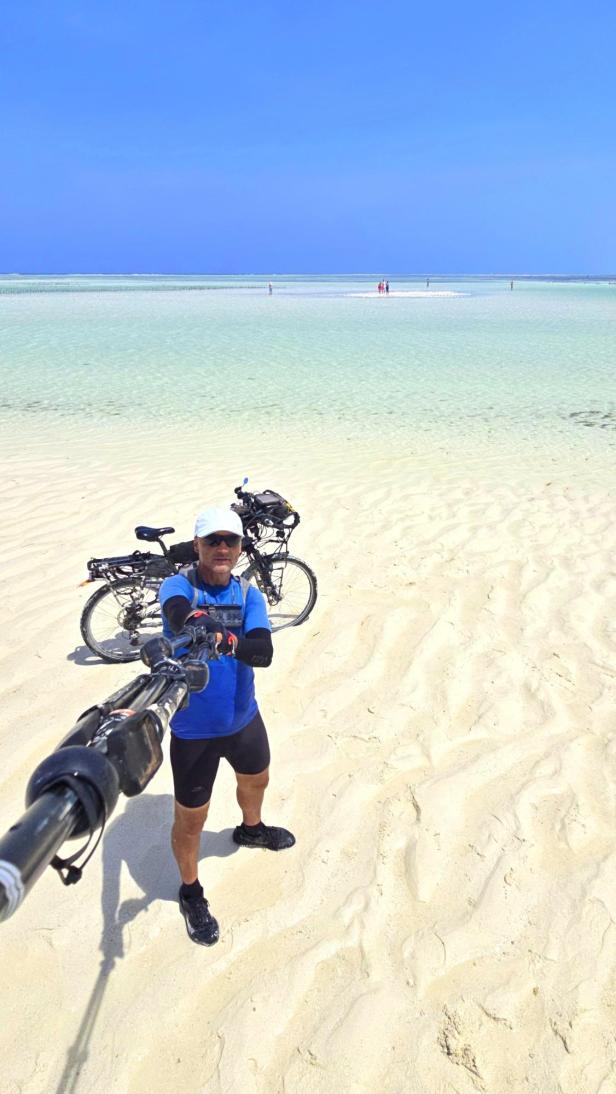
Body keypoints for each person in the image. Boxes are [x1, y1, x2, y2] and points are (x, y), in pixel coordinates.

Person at [159, 505, 295, 946]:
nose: (222, 548)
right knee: (191, 820)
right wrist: (198, 620)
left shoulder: (249, 594)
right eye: (212, 540)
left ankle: (250, 830)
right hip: (193, 731)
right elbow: (176, 610)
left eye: (230, 541)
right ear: (197, 545)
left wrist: (226, 638)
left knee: (257, 780)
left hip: (243, 719)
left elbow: (263, 652)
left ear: (240, 548)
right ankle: (190, 892)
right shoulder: (179, 585)